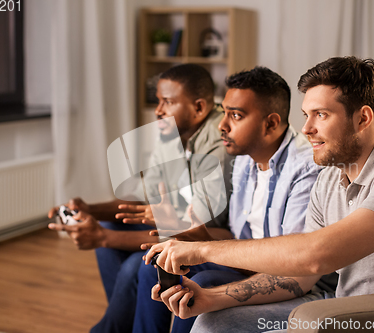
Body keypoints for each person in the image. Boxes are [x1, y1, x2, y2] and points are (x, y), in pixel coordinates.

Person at [144, 56, 374, 333]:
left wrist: (202, 251)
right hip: (344, 312)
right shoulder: (329, 178)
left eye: (321, 115)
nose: (307, 128)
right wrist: (210, 298)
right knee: (214, 323)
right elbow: (296, 276)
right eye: (306, 115)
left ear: (363, 118)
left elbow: (314, 256)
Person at [132, 66, 322, 333]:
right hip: (247, 264)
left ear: (270, 123)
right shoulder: (243, 160)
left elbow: (295, 266)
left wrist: (205, 247)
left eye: (236, 115)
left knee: (204, 283)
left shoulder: (306, 170)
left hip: (292, 280)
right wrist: (197, 235)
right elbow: (236, 236)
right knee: (156, 266)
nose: (222, 125)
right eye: (224, 113)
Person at [48, 63, 235, 333]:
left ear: (199, 108)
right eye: (158, 100)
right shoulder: (171, 132)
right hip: (173, 224)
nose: (158, 110)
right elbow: (144, 199)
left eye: (168, 102)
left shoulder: (219, 147)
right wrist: (90, 210)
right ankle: (123, 324)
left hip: (204, 233)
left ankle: (109, 328)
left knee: (136, 265)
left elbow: (191, 226)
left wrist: (102, 236)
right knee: (112, 226)